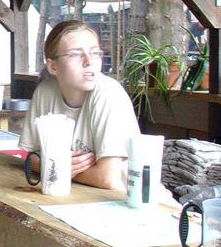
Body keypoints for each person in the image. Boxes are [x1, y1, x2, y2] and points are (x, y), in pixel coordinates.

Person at [19, 20, 140, 191]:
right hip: (78, 196)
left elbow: (108, 178)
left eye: (95, 53)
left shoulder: (109, 94)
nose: (89, 61)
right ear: (53, 66)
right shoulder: (45, 92)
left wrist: (57, 168)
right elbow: (32, 159)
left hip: (127, 200)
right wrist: (55, 166)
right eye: (76, 54)